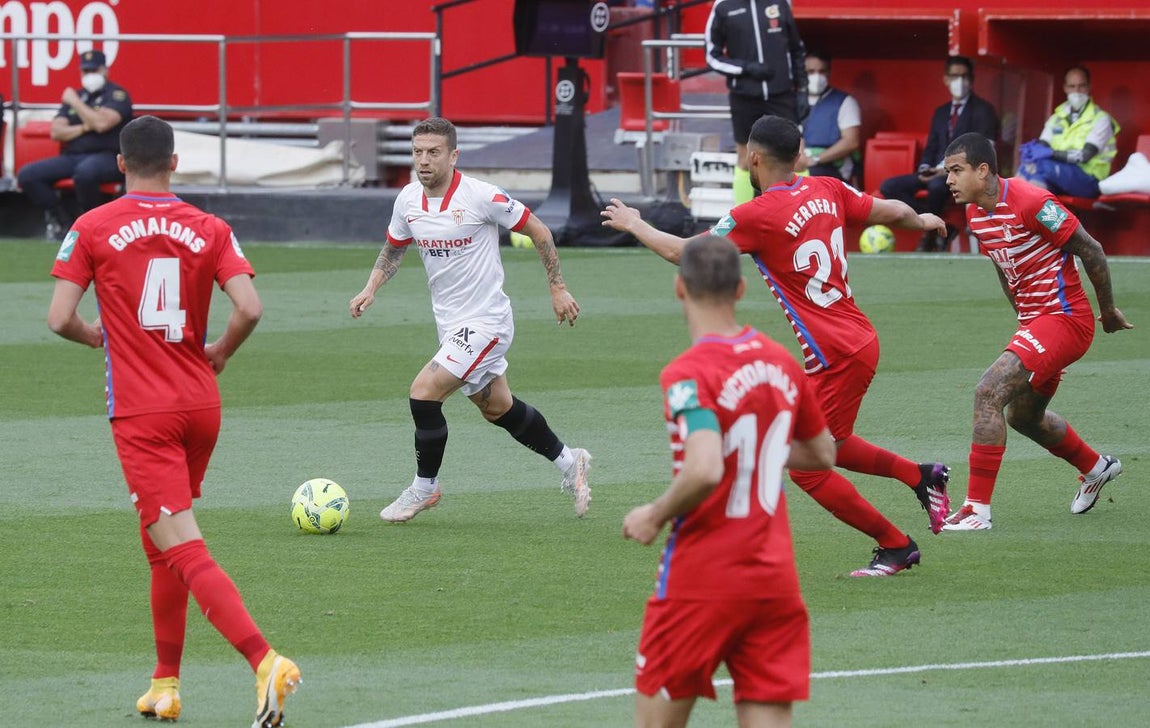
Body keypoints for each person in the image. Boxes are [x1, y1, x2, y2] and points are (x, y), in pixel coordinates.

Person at [605, 115, 952, 577]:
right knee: (830, 441)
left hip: (835, 354)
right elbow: (892, 211)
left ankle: (895, 544)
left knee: (808, 468)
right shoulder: (826, 189)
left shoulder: (758, 214)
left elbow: (686, 252)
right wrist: (926, 219)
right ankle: (919, 474)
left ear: (753, 157)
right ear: (798, 155)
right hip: (856, 339)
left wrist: (634, 223)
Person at [46, 116, 300, 726]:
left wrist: (97, 339)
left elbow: (59, 319)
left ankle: (265, 660)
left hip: (144, 412)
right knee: (159, 544)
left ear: (119, 164)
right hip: (200, 404)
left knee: (181, 546)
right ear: (176, 163)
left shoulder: (92, 226)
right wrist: (221, 353)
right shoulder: (210, 227)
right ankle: (165, 684)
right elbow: (249, 307)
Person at [624, 234, 836, 728]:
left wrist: (653, 514)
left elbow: (703, 468)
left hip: (703, 578)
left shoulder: (687, 374)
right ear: (741, 289)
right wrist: (757, 446)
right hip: (774, 578)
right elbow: (823, 453)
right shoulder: (781, 360)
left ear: (680, 288)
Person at [349, 116, 592, 523]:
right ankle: (572, 463)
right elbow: (393, 249)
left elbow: (540, 231)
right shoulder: (407, 200)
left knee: (424, 392)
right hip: (451, 326)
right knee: (498, 409)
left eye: (433, 153)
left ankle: (424, 489)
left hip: (487, 323)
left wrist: (557, 288)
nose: (423, 161)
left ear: (454, 155)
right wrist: (371, 287)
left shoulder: (482, 196)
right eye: (417, 152)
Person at [939, 132, 1132, 531]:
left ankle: (976, 510)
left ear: (983, 170)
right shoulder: (976, 214)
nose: (949, 180)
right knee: (1024, 417)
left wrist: (1108, 309)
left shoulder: (1033, 202)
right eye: (947, 172)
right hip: (1039, 323)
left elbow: (1091, 248)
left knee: (987, 392)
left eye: (956, 171)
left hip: (1065, 320)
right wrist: (1024, 321)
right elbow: (1002, 266)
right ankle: (1096, 467)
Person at [879, 55, 998, 252]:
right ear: (946, 79)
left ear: (972, 79)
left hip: (961, 172)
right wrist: (925, 168)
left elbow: (984, 149)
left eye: (964, 76)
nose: (959, 81)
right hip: (934, 171)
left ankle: (930, 233)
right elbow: (931, 147)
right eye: (954, 76)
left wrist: (946, 171)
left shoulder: (983, 110)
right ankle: (940, 225)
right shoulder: (941, 112)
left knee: (937, 187)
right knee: (890, 187)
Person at [18, 49, 132, 241]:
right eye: (85, 72)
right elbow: (57, 131)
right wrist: (86, 126)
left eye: (94, 70)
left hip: (108, 156)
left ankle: (93, 225)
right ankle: (64, 222)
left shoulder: (117, 95)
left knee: (85, 173)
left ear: (104, 70)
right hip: (73, 155)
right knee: (28, 175)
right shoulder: (79, 95)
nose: (89, 76)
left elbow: (103, 124)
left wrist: (75, 103)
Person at [705, 0, 807, 205]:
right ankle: (741, 222)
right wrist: (746, 68)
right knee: (745, 160)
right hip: (744, 96)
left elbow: (796, 48)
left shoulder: (781, 3)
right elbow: (712, 56)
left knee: (799, 159)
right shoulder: (723, 6)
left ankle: (804, 213)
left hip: (781, 94)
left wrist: (803, 88)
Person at [1017, 65, 1120, 200]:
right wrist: (1032, 151)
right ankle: (1023, 215)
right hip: (1059, 175)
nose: (1076, 91)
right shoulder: (1057, 118)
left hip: (1089, 180)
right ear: (1065, 88)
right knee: (1028, 167)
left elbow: (1085, 155)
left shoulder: (1101, 119)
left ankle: (1029, 212)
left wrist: (1050, 153)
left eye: (1081, 86)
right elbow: (1043, 145)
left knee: (1042, 168)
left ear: (1089, 87)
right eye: (1072, 86)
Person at [794, 50, 860, 183]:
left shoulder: (844, 102)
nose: (817, 77)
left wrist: (816, 159)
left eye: (822, 71)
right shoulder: (792, 101)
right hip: (797, 164)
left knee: (810, 178)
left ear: (829, 72)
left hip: (831, 166)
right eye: (811, 72)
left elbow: (851, 141)